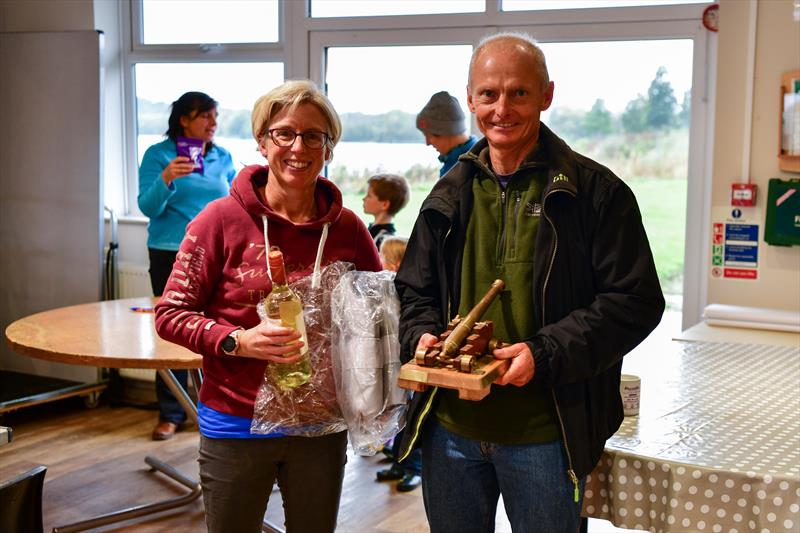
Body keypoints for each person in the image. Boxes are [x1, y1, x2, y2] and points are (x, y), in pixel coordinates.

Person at [394, 33, 665, 532]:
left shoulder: (597, 193)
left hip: (549, 432)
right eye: (489, 94)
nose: (502, 108)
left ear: (547, 95)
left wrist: (544, 354)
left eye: (519, 92)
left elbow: (636, 301)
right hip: (449, 433)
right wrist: (422, 335)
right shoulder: (447, 192)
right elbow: (414, 290)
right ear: (471, 98)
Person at [154, 80, 382, 533]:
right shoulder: (220, 220)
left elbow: (378, 313)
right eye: (285, 133)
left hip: (321, 425)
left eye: (313, 135)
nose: (298, 147)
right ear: (262, 142)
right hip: (237, 423)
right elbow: (171, 314)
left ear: (328, 147)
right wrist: (238, 340)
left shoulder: (348, 228)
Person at [138, 91, 236, 441]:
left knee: (216, 328)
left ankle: (213, 408)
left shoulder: (223, 157)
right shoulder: (158, 155)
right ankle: (171, 412)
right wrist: (166, 178)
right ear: (184, 119)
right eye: (205, 116)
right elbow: (148, 209)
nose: (213, 123)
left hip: (216, 253)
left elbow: (235, 204)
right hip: (169, 251)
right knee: (170, 332)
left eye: (215, 116)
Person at [372, 235, 422, 492]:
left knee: (412, 418)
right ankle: (399, 463)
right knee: (400, 417)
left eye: (384, 258)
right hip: (394, 362)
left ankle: (414, 467)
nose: (380, 262)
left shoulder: (405, 289)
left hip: (407, 361)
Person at [416, 91, 478, 177]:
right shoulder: (458, 161)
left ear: (444, 131)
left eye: (428, 135)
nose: (427, 143)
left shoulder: (465, 169)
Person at [362, 173, 410, 250]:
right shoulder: (371, 231)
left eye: (369, 196)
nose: (364, 199)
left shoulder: (383, 242)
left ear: (384, 204)